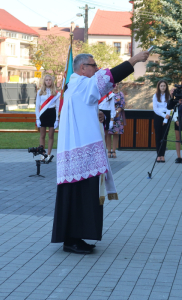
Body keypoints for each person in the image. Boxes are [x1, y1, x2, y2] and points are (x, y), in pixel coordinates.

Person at [51, 50, 150, 254]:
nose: (96, 68)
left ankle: (73, 237)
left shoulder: (74, 86)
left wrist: (96, 115)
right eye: (93, 65)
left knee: (79, 194)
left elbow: (83, 110)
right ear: (81, 68)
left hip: (76, 149)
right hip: (82, 151)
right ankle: (72, 240)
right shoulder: (81, 84)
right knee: (82, 195)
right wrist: (134, 60)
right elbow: (109, 77)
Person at [35, 74, 60, 162]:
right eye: (46, 80)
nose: (48, 81)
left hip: (52, 114)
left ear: (52, 81)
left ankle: (48, 155)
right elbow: (37, 106)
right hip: (43, 114)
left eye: (50, 80)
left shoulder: (56, 93)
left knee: (51, 135)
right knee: (42, 135)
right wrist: (37, 118)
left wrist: (57, 119)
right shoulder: (40, 92)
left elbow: (57, 107)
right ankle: (43, 155)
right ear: (44, 81)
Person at [152, 80, 171, 162]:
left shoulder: (169, 96)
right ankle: (158, 155)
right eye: (161, 86)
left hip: (166, 117)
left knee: (164, 136)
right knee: (158, 136)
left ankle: (162, 155)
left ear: (166, 87)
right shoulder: (155, 96)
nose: (163, 87)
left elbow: (169, 108)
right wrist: (164, 116)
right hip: (158, 116)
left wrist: (166, 119)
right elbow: (155, 109)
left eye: (164, 86)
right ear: (159, 87)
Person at [107, 84, 126, 158]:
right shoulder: (108, 93)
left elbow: (122, 105)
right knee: (108, 133)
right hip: (109, 115)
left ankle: (114, 151)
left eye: (117, 84)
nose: (116, 85)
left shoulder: (120, 94)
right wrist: (111, 113)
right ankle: (108, 150)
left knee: (116, 134)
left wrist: (116, 112)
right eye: (115, 84)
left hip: (118, 117)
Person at [98, 90, 116, 158]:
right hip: (98, 112)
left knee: (106, 135)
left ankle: (106, 151)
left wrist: (111, 120)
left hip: (107, 114)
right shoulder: (97, 92)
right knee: (99, 134)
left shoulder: (110, 94)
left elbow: (112, 108)